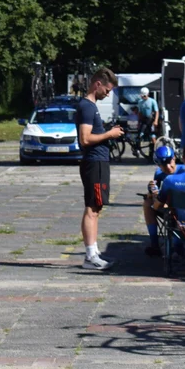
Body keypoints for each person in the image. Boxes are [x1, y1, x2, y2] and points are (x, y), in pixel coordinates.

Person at [76, 67, 124, 270]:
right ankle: (90, 256)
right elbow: (85, 139)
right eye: (107, 89)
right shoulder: (87, 106)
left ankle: (94, 253)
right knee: (92, 208)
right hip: (94, 162)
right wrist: (109, 134)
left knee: (96, 208)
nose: (108, 93)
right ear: (98, 84)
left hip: (99, 162)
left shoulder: (92, 106)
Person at [143, 143, 183, 257]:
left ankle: (177, 245)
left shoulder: (184, 170)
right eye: (164, 165)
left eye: (170, 162)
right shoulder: (159, 173)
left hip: (182, 209)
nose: (168, 167)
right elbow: (156, 194)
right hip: (166, 206)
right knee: (147, 203)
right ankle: (154, 244)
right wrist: (151, 191)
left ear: (174, 158)